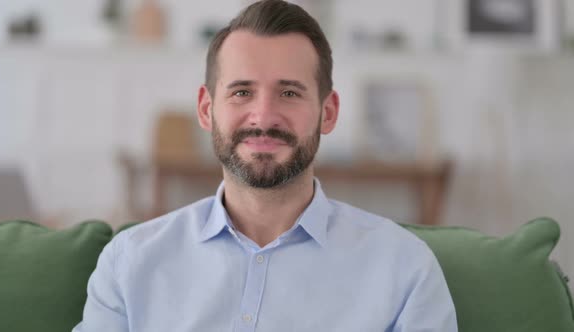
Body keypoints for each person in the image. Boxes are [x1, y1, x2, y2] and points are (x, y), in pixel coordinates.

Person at [73, 1, 457, 331]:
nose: (264, 116)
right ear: (207, 109)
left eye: (289, 93)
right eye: (242, 92)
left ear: (328, 112)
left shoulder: (406, 268)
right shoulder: (129, 263)